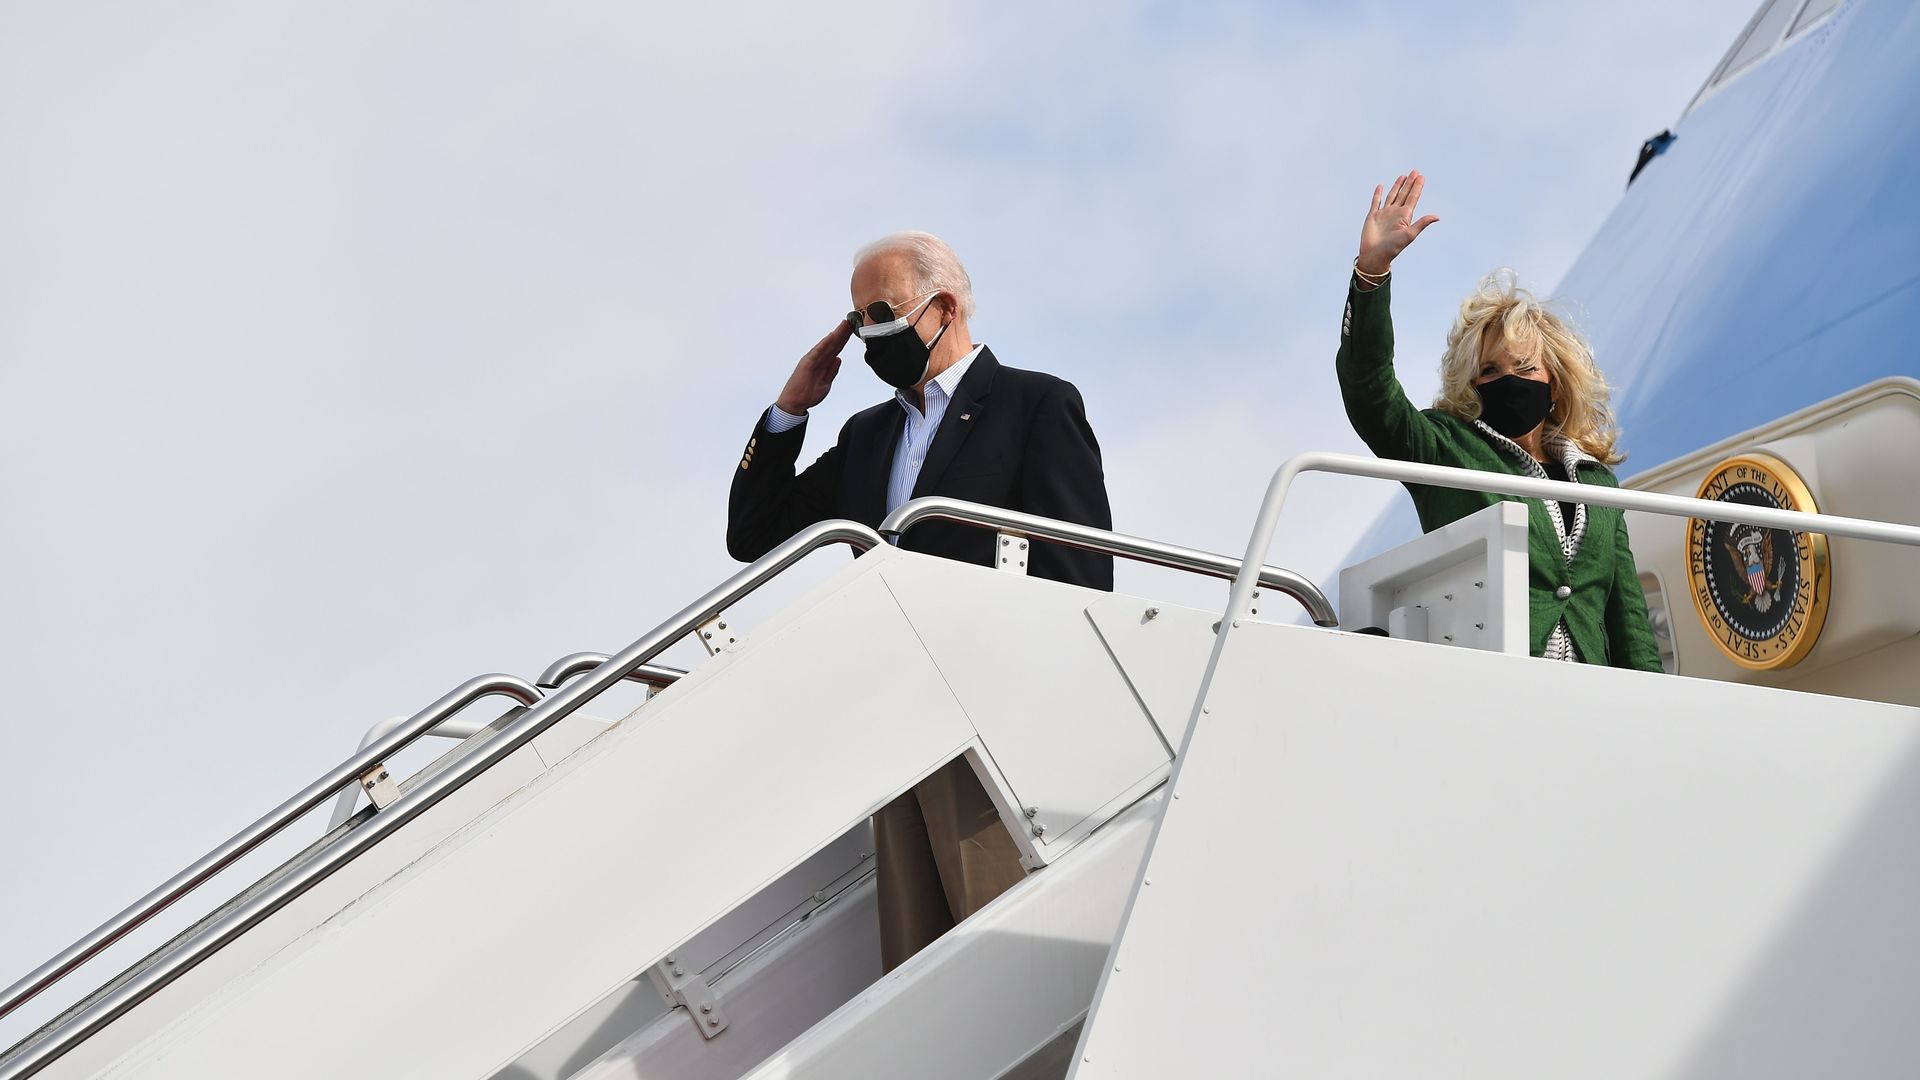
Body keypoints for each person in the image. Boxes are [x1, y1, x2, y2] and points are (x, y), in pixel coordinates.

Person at [727, 231, 1114, 970]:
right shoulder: (869, 434)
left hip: (993, 726)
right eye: (857, 320)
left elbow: (1081, 576)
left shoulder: (1035, 404)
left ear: (944, 305)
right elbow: (752, 532)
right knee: (919, 959)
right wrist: (790, 409)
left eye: (881, 311)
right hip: (897, 724)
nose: (869, 334)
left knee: (1002, 953)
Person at [1335, 171, 1662, 671]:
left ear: (1553, 378)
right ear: (1471, 383)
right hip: (1492, 690)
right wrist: (1371, 273)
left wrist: (1652, 710)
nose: (1509, 380)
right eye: (1490, 370)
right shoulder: (1445, 448)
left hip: (1589, 704)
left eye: (1524, 367)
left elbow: (1628, 620)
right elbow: (1370, 391)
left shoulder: (1598, 482)